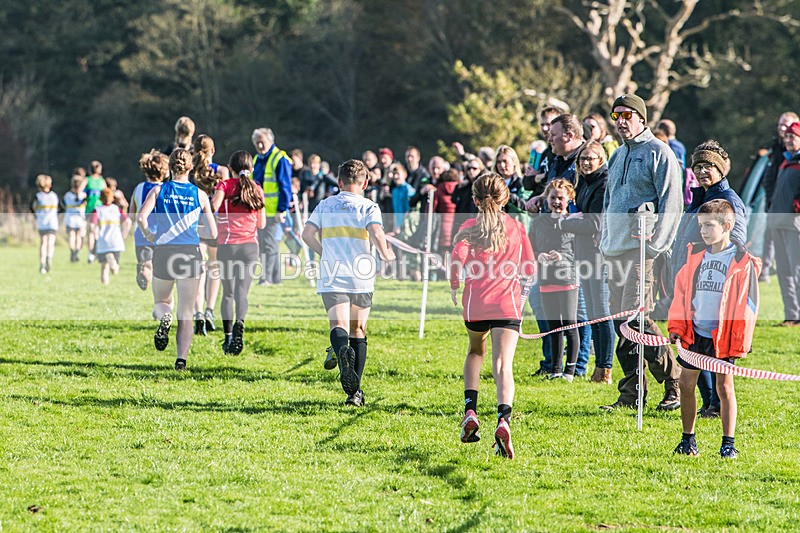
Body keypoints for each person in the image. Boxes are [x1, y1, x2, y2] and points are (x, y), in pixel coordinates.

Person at [600, 93, 684, 411]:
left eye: (626, 115)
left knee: (636, 320)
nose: (620, 120)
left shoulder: (659, 153)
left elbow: (672, 204)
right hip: (615, 250)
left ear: (642, 118)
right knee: (622, 324)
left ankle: (673, 379)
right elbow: (610, 204)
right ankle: (632, 393)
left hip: (642, 252)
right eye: (616, 115)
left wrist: (654, 247)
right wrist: (604, 240)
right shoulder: (617, 156)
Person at [450, 173, 535, 459]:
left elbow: (456, 261)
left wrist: (453, 287)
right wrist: (522, 296)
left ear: (474, 200)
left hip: (476, 305)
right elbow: (529, 268)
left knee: (476, 352)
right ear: (506, 199)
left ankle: (470, 410)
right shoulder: (516, 227)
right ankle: (503, 419)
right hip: (507, 306)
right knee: (503, 364)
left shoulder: (469, 226)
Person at [668, 199, 761, 459]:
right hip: (695, 332)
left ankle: (728, 443)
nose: (703, 231)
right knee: (686, 384)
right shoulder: (695, 256)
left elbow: (748, 305)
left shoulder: (741, 261)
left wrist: (741, 340)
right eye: (701, 226)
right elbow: (682, 295)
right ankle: (688, 440)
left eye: (709, 225)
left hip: (723, 336)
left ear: (727, 225)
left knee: (724, 388)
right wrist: (676, 326)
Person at [301, 159, 396, 407]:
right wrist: (386, 253)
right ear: (364, 183)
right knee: (359, 330)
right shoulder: (369, 206)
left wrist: (324, 252)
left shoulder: (325, 205)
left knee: (338, 325)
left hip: (332, 273)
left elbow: (306, 234)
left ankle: (341, 351)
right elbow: (376, 232)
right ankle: (355, 393)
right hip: (360, 275)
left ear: (339, 182)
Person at [671, 141, 748, 416]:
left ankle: (715, 403)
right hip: (687, 280)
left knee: (708, 345)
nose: (703, 171)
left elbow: (736, 240)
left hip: (708, 284)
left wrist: (708, 265)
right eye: (698, 166)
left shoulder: (729, 200)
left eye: (709, 166)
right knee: (692, 342)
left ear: (721, 169)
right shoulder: (698, 196)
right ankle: (709, 402)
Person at [137, 148, 217, 371]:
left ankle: (165, 318)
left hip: (163, 252)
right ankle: (181, 360)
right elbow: (213, 233)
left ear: (169, 167)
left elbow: (141, 218)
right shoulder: (200, 194)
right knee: (186, 313)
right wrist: (192, 230)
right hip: (190, 253)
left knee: (161, 303)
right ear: (190, 167)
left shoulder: (159, 190)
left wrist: (150, 235)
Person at [559, 141, 615, 384]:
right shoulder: (583, 182)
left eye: (591, 158)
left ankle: (606, 367)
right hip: (583, 252)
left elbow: (593, 224)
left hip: (598, 255)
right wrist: (575, 217)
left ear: (601, 159)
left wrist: (564, 222)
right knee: (592, 312)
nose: (586, 162)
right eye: (583, 159)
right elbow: (579, 214)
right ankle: (598, 367)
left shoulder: (603, 183)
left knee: (602, 311)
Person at [212, 150, 266, 355]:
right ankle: (240, 325)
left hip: (227, 245)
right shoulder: (257, 189)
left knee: (228, 293)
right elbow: (261, 224)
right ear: (251, 169)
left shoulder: (224, 185)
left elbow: (214, 207)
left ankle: (228, 338)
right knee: (242, 292)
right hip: (250, 246)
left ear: (231, 168)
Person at [529, 179, 580, 381]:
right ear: (546, 199)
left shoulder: (575, 221)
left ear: (569, 199)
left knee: (569, 323)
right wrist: (539, 255)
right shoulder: (538, 223)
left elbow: (580, 252)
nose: (556, 201)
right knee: (553, 326)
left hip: (567, 278)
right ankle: (555, 369)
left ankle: (570, 370)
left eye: (560, 198)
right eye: (553, 198)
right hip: (545, 278)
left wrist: (563, 257)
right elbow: (530, 246)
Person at [756, 112, 799, 282]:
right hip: (774, 204)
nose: (782, 129)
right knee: (770, 238)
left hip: (792, 215)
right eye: (781, 125)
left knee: (794, 264)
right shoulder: (777, 149)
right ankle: (765, 270)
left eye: (787, 125)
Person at [768, 120, 800, 326]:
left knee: (796, 271)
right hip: (777, 221)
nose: (788, 140)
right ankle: (791, 315)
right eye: (787, 136)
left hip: (794, 224)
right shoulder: (785, 161)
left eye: (793, 136)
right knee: (783, 272)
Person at [251, 127, 293, 287]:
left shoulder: (279, 158)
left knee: (267, 244)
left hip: (272, 210)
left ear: (270, 141)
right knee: (268, 243)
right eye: (257, 143)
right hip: (259, 210)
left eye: (262, 142)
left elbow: (285, 187)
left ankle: (266, 278)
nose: (260, 146)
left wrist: (281, 210)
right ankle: (276, 279)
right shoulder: (257, 159)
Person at [192, 134, 223, 335]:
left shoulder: (191, 170)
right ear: (213, 150)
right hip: (216, 223)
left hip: (195, 223)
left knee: (198, 269)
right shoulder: (221, 170)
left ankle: (198, 313)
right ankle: (210, 309)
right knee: (214, 268)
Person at [131, 150, 170, 291]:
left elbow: (132, 213)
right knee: (161, 268)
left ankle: (144, 272)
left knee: (147, 263)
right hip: (162, 235)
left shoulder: (139, 188)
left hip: (142, 234)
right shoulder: (165, 189)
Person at [89, 187, 131, 285]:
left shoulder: (97, 210)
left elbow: (92, 225)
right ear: (111, 198)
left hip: (103, 241)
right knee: (115, 270)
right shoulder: (116, 209)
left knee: (104, 267)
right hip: (116, 240)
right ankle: (114, 265)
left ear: (100, 198)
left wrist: (95, 235)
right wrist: (123, 235)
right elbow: (127, 221)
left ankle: (105, 285)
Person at [32, 174, 59, 274]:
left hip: (42, 222)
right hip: (52, 222)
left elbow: (32, 207)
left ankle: (42, 264)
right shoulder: (54, 196)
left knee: (43, 243)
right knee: (51, 243)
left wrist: (36, 216)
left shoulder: (38, 196)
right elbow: (61, 207)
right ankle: (49, 257)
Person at [84, 160, 107, 263]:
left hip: (90, 208)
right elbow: (107, 193)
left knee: (91, 232)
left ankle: (91, 253)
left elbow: (80, 192)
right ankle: (97, 251)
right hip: (99, 209)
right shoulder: (102, 181)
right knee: (97, 231)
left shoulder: (87, 180)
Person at [63, 174, 87, 263]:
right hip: (80, 219)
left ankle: (72, 251)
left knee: (71, 236)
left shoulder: (68, 195)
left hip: (70, 219)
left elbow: (64, 204)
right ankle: (77, 251)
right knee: (79, 237)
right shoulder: (83, 195)